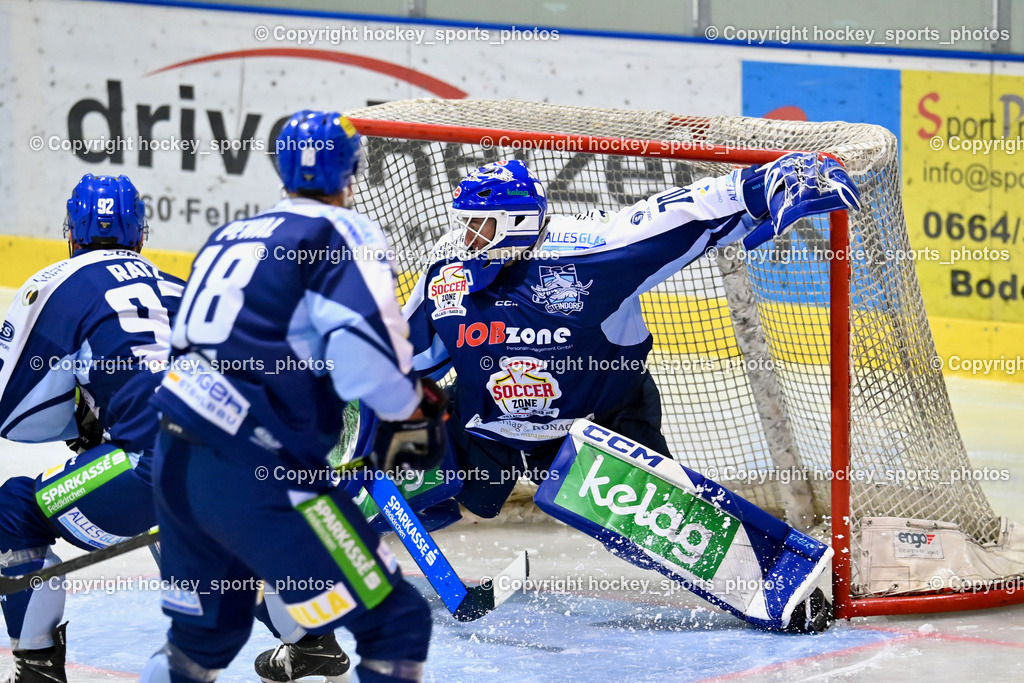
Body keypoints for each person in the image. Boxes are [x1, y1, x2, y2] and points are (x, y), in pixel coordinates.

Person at [402, 154, 859, 631]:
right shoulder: (450, 266)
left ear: (517, 222)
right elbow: (406, 353)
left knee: (653, 530)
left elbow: (681, 212)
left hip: (596, 425)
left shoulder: (595, 250)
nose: (468, 236)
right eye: (467, 223)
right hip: (487, 427)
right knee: (387, 466)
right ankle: (331, 564)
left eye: (482, 224)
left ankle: (782, 585)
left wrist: (761, 185)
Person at [139, 110, 446, 683]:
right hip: (261, 474)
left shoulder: (227, 235)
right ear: (352, 170)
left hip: (174, 460)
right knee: (396, 621)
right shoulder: (342, 233)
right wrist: (412, 405)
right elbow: (365, 365)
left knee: (202, 641)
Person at [0, 174, 183, 682]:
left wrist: (86, 417)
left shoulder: (55, 281)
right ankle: (309, 641)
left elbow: (12, 413)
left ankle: (37, 666)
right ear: (141, 235)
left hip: (147, 469)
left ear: (71, 233)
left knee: (14, 510)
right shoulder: (181, 288)